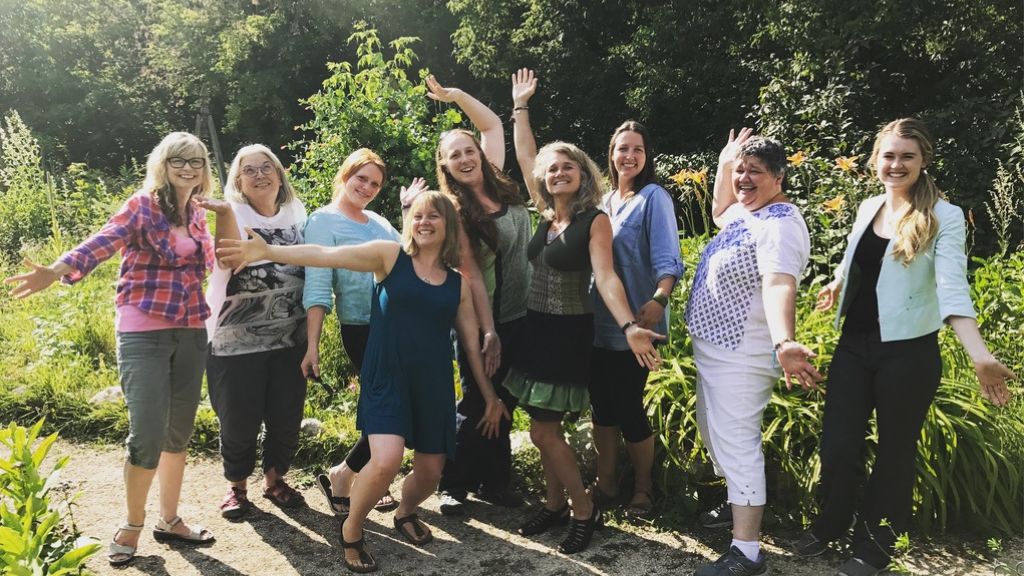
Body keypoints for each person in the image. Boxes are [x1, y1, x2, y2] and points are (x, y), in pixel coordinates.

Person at [218, 191, 508, 574]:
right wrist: (269, 251)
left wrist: (489, 396)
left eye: (433, 217)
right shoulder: (389, 257)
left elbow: (471, 347)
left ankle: (405, 513)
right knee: (385, 461)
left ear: (448, 226)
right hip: (387, 375)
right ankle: (352, 529)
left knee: (431, 473)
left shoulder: (458, 284)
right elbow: (325, 255)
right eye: (417, 215)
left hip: (433, 384)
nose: (423, 222)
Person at [795, 118, 1015, 576]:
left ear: (923, 162)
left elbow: (953, 290)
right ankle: (830, 524)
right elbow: (860, 259)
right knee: (837, 447)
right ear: (876, 159)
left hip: (909, 355)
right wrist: (838, 283)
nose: (896, 164)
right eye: (889, 156)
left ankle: (875, 545)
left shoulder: (944, 216)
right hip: (854, 348)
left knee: (895, 453)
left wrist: (980, 356)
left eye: (907, 157)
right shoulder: (869, 205)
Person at [5, 132, 220, 566]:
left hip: (192, 329)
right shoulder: (142, 205)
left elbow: (211, 265)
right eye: (179, 159)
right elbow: (103, 241)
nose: (188, 167)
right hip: (143, 333)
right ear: (163, 163)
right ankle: (133, 523)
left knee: (178, 433)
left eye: (196, 160)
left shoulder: (198, 213)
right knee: (146, 435)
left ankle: (170, 519)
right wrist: (57, 270)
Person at [508, 71, 664, 554]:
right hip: (536, 331)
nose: (557, 174)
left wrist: (629, 326)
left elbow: (608, 276)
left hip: (567, 334)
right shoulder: (546, 214)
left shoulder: (593, 220)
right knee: (542, 429)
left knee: (544, 431)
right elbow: (527, 157)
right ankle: (555, 504)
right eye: (552, 170)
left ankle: (582, 508)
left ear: (583, 174)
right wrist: (520, 107)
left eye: (567, 168)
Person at [685, 129, 820, 576]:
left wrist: (784, 341)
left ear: (779, 176)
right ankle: (739, 505)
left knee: (737, 445)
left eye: (754, 171)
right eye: (741, 170)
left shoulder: (779, 224)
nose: (744, 178)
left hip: (742, 355)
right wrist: (727, 160)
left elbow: (779, 283)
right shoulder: (748, 214)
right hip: (715, 351)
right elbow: (719, 207)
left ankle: (746, 553)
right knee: (715, 435)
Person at [423, 74, 532, 515]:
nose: (466, 159)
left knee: (504, 399)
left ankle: (494, 481)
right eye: (456, 156)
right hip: (478, 318)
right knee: (475, 399)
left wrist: (454, 96)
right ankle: (453, 482)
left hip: (521, 314)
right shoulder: (456, 210)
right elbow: (468, 276)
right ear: (445, 166)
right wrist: (489, 332)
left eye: (469, 151)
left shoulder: (500, 185)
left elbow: (491, 128)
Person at [204, 144, 308, 518]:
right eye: (250, 170)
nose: (260, 174)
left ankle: (275, 481)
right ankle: (237, 488)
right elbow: (227, 257)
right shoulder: (232, 212)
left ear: (280, 175)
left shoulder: (297, 212)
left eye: (268, 167)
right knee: (239, 420)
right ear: (238, 180)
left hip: (290, 338)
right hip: (235, 341)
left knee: (286, 417)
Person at [588, 119, 684, 518]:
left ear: (647, 157)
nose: (629, 156)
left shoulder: (653, 197)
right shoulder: (604, 202)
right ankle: (606, 483)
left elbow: (668, 257)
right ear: (611, 154)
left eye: (637, 150)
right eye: (622, 148)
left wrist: (660, 298)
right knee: (601, 410)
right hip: (597, 325)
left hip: (638, 327)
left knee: (629, 408)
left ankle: (643, 489)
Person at [305, 149, 407, 516]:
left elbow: (407, 258)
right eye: (361, 178)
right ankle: (351, 475)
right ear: (345, 174)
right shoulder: (323, 221)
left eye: (375, 183)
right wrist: (312, 345)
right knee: (392, 408)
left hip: (396, 326)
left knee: (397, 406)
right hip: (362, 329)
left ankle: (353, 473)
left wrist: (409, 212)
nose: (366, 187)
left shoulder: (378, 221)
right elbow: (317, 286)